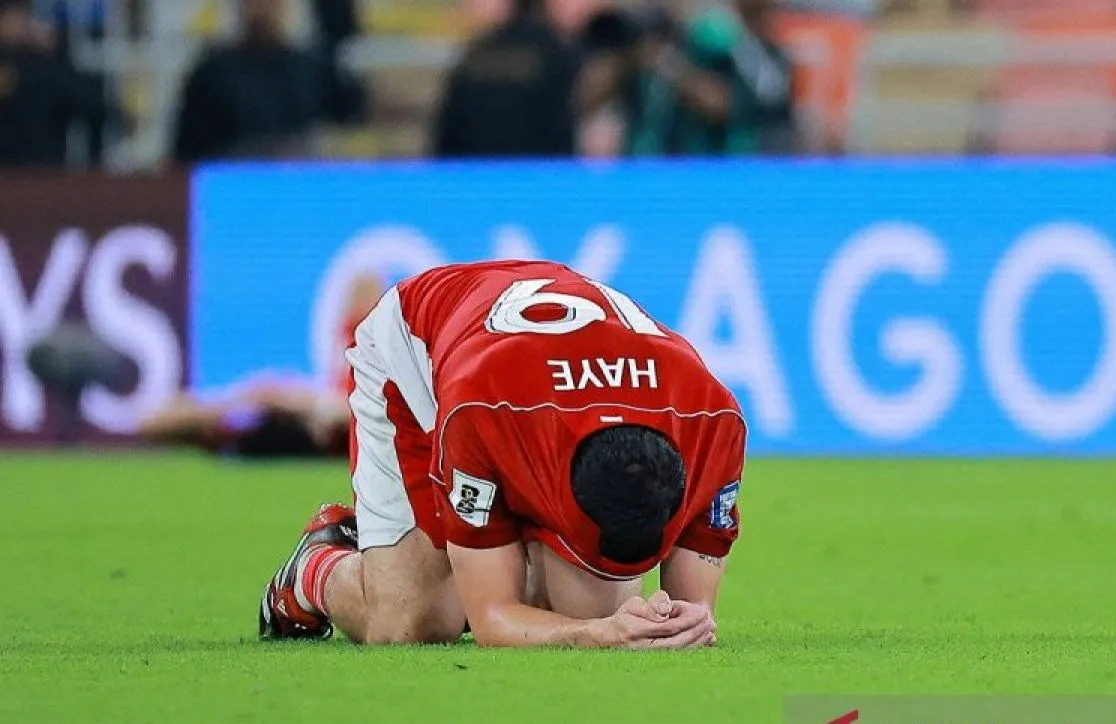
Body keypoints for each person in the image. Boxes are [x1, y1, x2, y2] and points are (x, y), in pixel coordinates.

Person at [259, 260, 746, 649]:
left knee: (587, 604)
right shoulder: (482, 413)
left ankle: (525, 566)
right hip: (417, 348)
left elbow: (693, 609)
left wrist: (683, 623)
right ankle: (314, 566)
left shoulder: (714, 421)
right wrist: (592, 633)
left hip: (531, 372)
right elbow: (493, 616)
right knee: (411, 621)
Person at [137, 273, 381, 459]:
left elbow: (357, 415)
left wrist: (289, 400)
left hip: (298, 422)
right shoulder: (240, 427)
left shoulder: (241, 431)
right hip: (293, 421)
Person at [578, 0, 796, 156]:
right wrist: (629, 58)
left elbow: (726, 105)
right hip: (637, 172)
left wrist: (669, 66)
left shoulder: (720, 43)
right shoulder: (647, 39)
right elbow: (584, 99)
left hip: (700, 171)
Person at [172, 0, 358, 163]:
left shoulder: (312, 70)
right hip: (234, 184)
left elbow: (347, 127)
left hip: (299, 184)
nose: (261, 7)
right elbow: (186, 157)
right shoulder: (212, 74)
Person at [432, 0, 581, 158]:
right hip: (538, 166)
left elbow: (448, 129)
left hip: (474, 166)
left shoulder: (479, 52)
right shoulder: (557, 52)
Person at [0, 0, 112, 166]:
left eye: (22, 15)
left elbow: (95, 106)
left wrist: (54, 54)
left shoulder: (44, 64)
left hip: (43, 171)